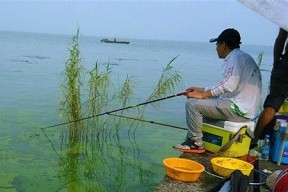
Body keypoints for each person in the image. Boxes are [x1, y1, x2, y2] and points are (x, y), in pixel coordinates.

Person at [173, 28, 262, 153]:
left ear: (223, 45)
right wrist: (201, 90)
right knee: (201, 103)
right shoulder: (243, 57)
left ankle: (196, 143)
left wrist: (203, 95)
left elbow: (229, 85)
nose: (216, 48)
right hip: (243, 108)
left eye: (217, 45)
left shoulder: (235, 57)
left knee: (192, 104)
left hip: (238, 109)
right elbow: (228, 86)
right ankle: (195, 140)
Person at [250, 28, 288, 148]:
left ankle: (254, 141)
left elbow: (281, 39)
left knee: (272, 105)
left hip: (285, 66)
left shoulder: (285, 13)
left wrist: (276, 62)